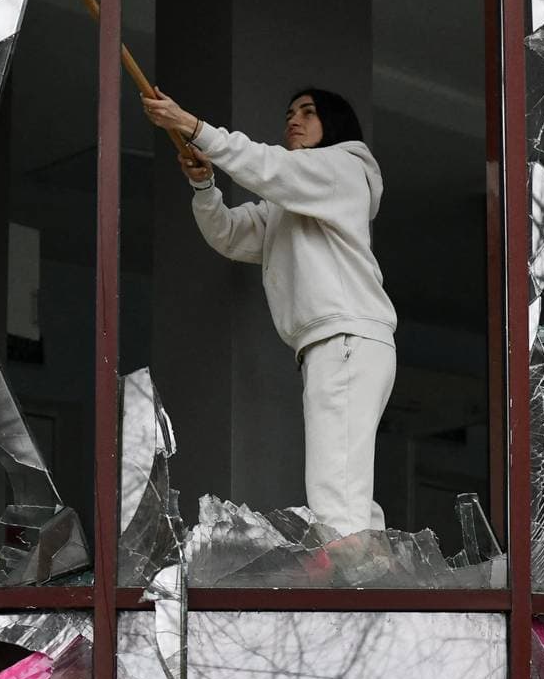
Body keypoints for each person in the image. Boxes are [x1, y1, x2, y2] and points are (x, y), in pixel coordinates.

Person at [142, 85, 397, 537]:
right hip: (344, 342)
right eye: (289, 113)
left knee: (336, 495)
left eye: (308, 112)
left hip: (344, 340)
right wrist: (204, 186)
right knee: (348, 489)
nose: (293, 120)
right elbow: (229, 234)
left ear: (334, 124)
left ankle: (348, 578)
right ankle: (371, 570)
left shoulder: (342, 168)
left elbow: (268, 166)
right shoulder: (294, 200)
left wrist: (193, 127)